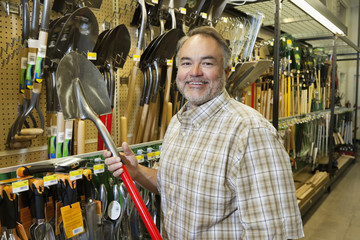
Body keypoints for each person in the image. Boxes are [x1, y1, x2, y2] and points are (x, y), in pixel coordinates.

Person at [105, 26, 304, 239]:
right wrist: (136, 172)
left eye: (207, 63)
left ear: (226, 72)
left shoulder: (250, 133)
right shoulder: (178, 123)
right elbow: (173, 187)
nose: (195, 72)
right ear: (178, 70)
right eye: (187, 63)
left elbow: (275, 233)